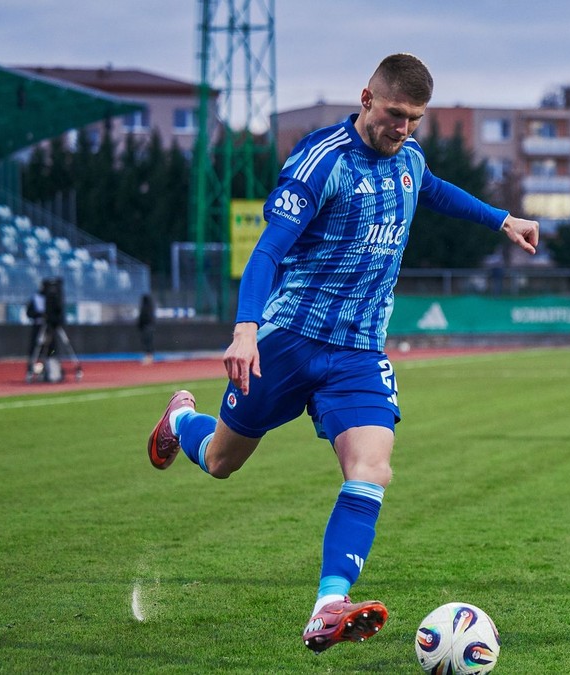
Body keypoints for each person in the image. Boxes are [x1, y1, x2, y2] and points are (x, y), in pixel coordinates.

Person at [146, 53, 539, 653]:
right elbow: (267, 251)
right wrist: (246, 329)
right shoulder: (321, 161)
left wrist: (501, 219)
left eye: (414, 118)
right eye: (394, 113)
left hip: (359, 352)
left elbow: (434, 191)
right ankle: (180, 419)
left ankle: (328, 606)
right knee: (222, 461)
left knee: (372, 468)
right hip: (288, 339)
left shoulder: (409, 159)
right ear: (366, 98)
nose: (402, 128)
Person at [25, 282, 47, 375]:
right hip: (37, 327)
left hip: (49, 327)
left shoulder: (50, 299)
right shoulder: (35, 298)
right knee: (35, 348)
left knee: (49, 348)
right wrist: (40, 314)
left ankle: (48, 368)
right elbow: (29, 313)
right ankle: (31, 368)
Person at [137, 293, 156, 365]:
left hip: (146, 328)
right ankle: (150, 357)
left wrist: (140, 325)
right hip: (150, 327)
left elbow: (142, 319)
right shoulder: (151, 309)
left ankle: (148, 358)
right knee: (149, 343)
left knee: (147, 343)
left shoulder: (144, 309)